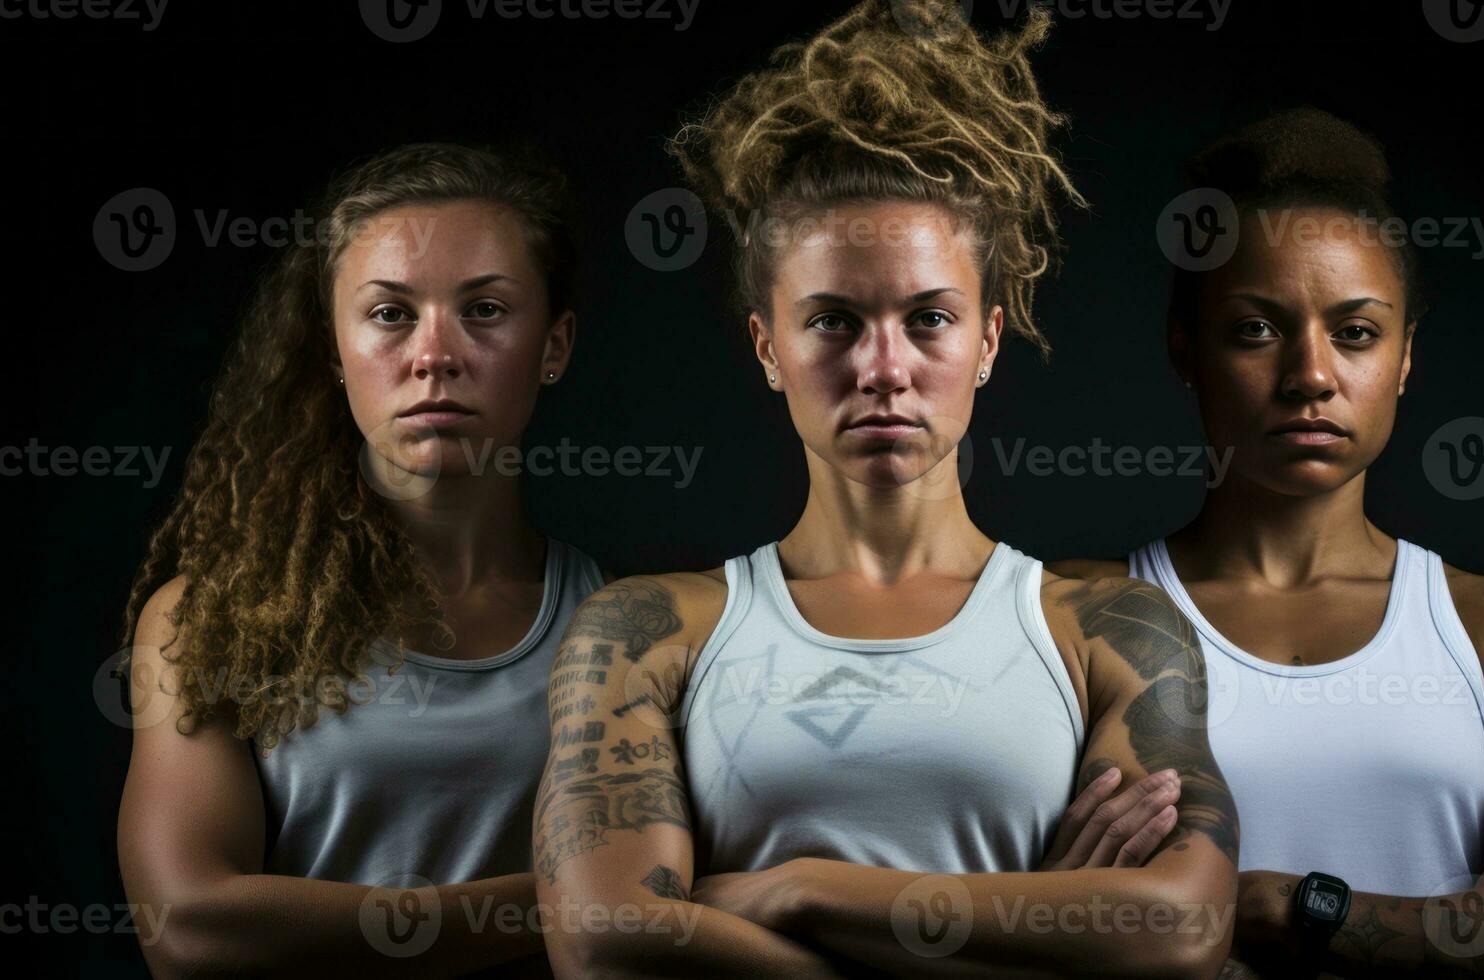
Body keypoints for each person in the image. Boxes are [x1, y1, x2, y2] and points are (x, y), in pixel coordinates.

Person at [533, 2, 1238, 976]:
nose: (884, 366)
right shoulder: (646, 630)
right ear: (767, 346)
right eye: (832, 320)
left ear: (988, 338)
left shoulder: (1113, 629)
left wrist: (799, 886)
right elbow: (606, 943)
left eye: (928, 319)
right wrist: (1042, 925)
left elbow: (1182, 930)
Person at [1052, 108, 1484, 977]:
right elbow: (1036, 920)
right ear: (1185, 348)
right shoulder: (1071, 613)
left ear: (1404, 357)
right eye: (1256, 329)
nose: (1312, 376)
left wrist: (1269, 906)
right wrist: (1470, 922)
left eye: (1356, 333)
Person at [117, 143, 603, 976]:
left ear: (554, 346)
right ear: (334, 351)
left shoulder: (623, 623)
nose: (434, 354)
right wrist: (574, 903)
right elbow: (189, 930)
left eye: (485, 310)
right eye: (389, 314)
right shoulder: (208, 620)